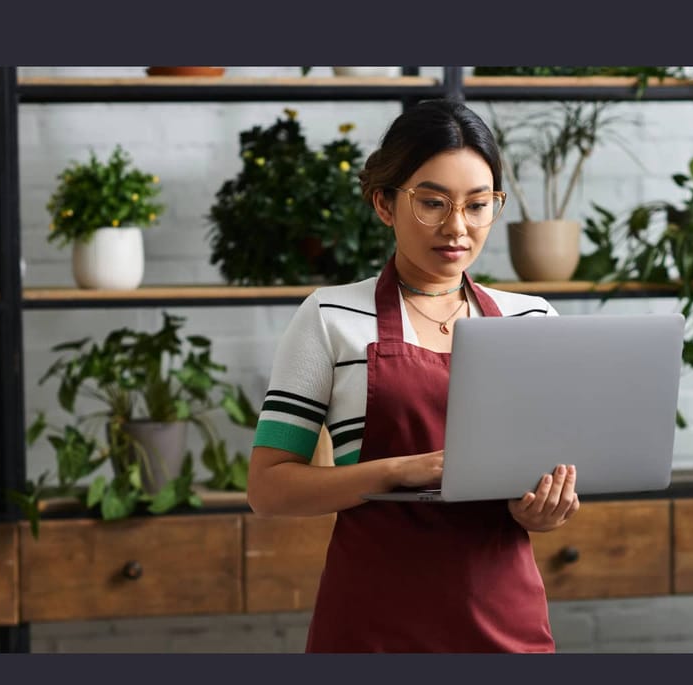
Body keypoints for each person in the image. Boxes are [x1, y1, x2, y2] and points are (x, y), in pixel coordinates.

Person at [245, 99, 580, 653]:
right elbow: (269, 488)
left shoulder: (533, 320)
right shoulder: (330, 318)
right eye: (432, 203)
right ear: (384, 203)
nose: (457, 228)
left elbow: (546, 482)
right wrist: (400, 471)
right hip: (372, 624)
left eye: (478, 206)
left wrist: (542, 509)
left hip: (503, 621)